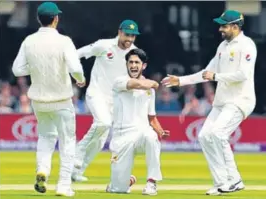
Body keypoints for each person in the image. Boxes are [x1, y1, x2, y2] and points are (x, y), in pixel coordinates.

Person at [161, 10, 257, 195]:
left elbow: (243, 75)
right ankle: (222, 183)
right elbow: (206, 73)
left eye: (224, 25)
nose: (220, 29)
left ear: (235, 27)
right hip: (222, 101)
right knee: (205, 136)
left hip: (240, 100)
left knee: (219, 135)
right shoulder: (222, 46)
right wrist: (180, 80)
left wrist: (217, 76)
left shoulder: (247, 45)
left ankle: (235, 180)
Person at [12, 2, 86, 197]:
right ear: (56, 19)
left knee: (45, 137)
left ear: (38, 19)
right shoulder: (64, 41)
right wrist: (80, 79)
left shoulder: (29, 41)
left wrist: (36, 67)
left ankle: (42, 169)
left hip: (39, 101)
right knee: (67, 141)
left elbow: (17, 69)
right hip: (61, 100)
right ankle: (63, 185)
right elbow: (75, 68)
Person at [72, 19, 140, 181]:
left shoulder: (136, 53)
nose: (129, 39)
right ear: (119, 32)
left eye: (132, 36)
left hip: (116, 100)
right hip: (97, 93)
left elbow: (135, 78)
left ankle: (77, 172)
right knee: (103, 123)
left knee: (100, 140)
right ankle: (78, 152)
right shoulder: (104, 45)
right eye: (127, 35)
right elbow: (76, 54)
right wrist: (77, 75)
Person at [106, 49, 170, 195]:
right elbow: (137, 84)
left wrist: (159, 130)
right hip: (122, 138)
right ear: (126, 64)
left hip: (141, 134)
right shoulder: (120, 81)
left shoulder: (150, 90)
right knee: (118, 190)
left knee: (151, 137)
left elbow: (151, 117)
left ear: (144, 65)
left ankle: (151, 182)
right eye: (130, 62)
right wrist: (153, 82)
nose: (133, 65)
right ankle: (125, 181)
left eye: (137, 62)